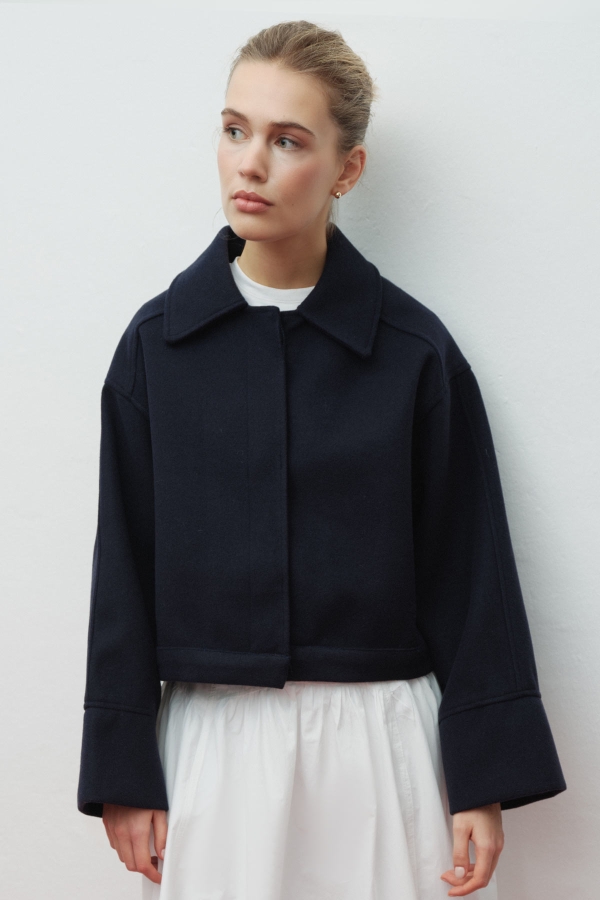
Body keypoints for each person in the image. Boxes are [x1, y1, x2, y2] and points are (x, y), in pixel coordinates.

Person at [76, 19, 566, 900]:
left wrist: (482, 778)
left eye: (287, 140)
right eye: (235, 129)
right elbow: (123, 567)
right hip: (213, 750)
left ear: (347, 169)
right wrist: (121, 767)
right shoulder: (156, 348)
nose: (249, 164)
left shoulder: (414, 352)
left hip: (382, 746)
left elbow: (470, 568)